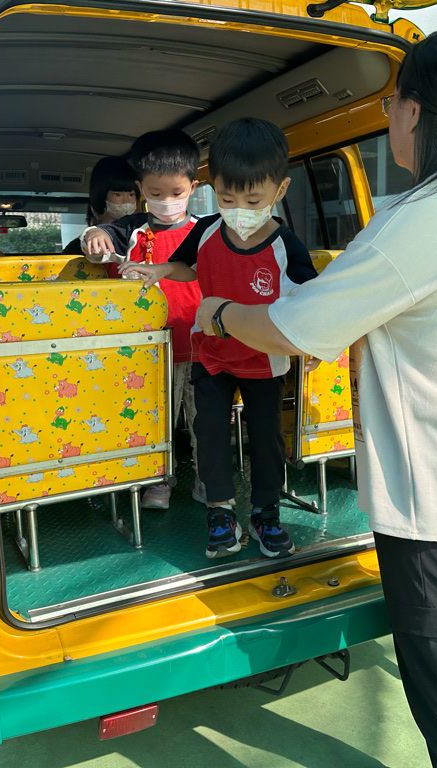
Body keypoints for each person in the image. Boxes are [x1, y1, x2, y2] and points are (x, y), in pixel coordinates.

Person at [193, 31, 437, 767]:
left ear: (413, 111)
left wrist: (217, 313)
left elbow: (294, 328)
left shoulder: (427, 216)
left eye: (390, 103)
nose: (389, 117)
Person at [119, 117, 318, 559]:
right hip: (211, 354)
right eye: (227, 198)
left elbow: (310, 302)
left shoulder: (286, 246)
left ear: (280, 191)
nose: (239, 209)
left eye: (253, 200)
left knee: (266, 438)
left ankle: (265, 513)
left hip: (264, 358)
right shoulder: (207, 230)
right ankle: (220, 512)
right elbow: (186, 266)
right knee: (209, 432)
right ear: (213, 189)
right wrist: (159, 269)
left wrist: (315, 346)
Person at [81, 130, 203, 509]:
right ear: (140, 189)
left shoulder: (206, 230)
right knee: (156, 420)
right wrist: (94, 234)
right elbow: (96, 239)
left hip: (202, 345)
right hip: (150, 351)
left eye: (176, 192)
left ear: (193, 187)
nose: (166, 201)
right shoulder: (131, 229)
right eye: (155, 193)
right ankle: (159, 480)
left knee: (205, 420)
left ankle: (208, 479)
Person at [61, 156, 138, 254]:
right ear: (100, 197)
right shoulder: (77, 248)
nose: (126, 201)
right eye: (117, 194)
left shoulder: (141, 239)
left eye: (132, 194)